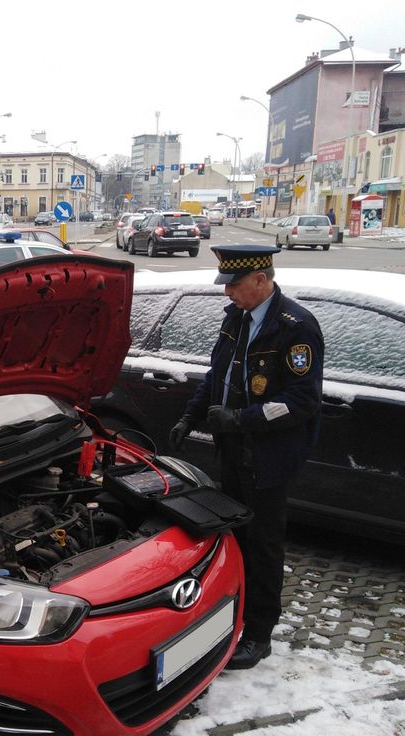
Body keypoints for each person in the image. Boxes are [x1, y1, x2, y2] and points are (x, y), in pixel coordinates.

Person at [171, 245, 324, 670]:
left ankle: (258, 634)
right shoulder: (237, 320)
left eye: (235, 285)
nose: (228, 294)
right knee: (236, 540)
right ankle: (233, 618)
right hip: (235, 451)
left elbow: (302, 400)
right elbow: (217, 376)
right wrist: (190, 416)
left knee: (263, 547)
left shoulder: (296, 329)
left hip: (269, 456)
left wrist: (242, 418)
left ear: (261, 279)